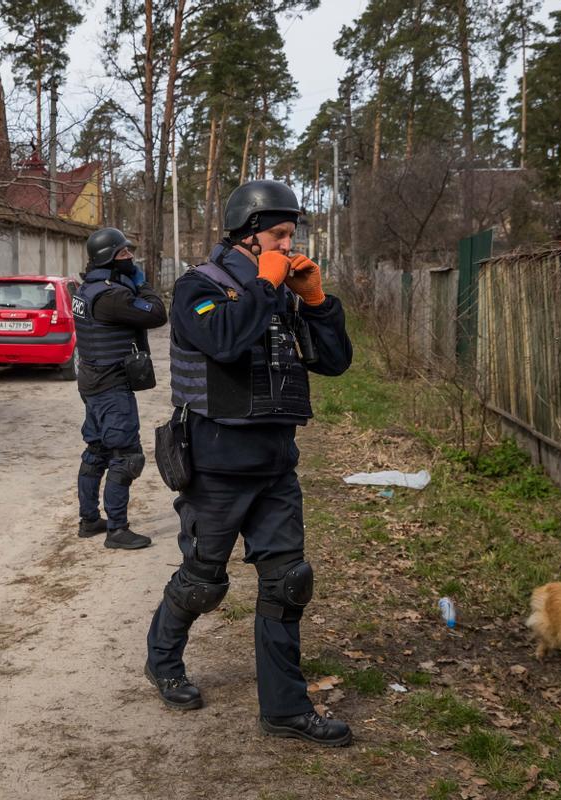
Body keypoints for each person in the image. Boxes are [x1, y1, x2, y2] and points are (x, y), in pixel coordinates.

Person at [143, 180, 355, 746]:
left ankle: (285, 710)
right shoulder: (196, 289)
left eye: (292, 235)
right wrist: (265, 285)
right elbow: (227, 342)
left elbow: (334, 362)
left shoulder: (282, 294)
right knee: (203, 581)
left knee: (288, 583)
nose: (289, 246)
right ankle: (163, 660)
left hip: (275, 465)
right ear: (245, 235)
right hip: (215, 466)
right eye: (279, 236)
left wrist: (315, 300)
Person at [72, 227, 167, 550]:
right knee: (126, 455)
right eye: (124, 253)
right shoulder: (113, 296)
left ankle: (89, 520)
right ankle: (117, 529)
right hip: (111, 385)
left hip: (92, 379)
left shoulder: (88, 288)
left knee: (97, 449)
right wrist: (143, 284)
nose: (130, 257)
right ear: (109, 258)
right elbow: (156, 315)